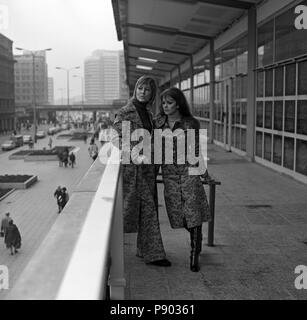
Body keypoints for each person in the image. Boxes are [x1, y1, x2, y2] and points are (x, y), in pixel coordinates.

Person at [112, 75, 171, 267]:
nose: (143, 92)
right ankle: (154, 254)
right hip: (133, 171)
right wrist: (136, 151)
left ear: (152, 94)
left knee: (147, 209)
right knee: (146, 210)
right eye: (140, 88)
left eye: (147, 90)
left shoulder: (148, 114)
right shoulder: (125, 112)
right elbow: (117, 138)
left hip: (148, 170)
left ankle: (143, 249)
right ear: (135, 89)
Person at [154, 87, 210, 272]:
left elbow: (196, 150)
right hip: (169, 174)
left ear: (178, 103)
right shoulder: (158, 123)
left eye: (169, 103)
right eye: (163, 103)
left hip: (189, 171)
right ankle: (198, 236)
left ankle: (194, 255)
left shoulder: (190, 123)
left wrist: (203, 172)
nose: (165, 106)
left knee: (192, 210)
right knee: (177, 213)